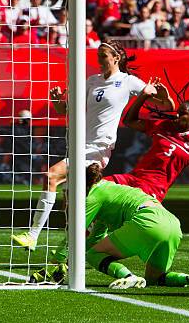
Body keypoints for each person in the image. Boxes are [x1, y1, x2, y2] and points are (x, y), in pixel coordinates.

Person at [11, 41, 175, 251]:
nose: (99, 59)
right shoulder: (91, 81)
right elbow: (64, 110)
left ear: (116, 58)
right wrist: (56, 101)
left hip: (98, 148)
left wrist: (165, 97)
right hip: (80, 145)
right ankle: (79, 246)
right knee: (73, 200)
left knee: (52, 176)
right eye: (98, 55)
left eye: (103, 55)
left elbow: (166, 107)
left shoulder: (128, 81)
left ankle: (33, 236)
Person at [31, 164, 189, 290]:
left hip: (147, 221)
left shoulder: (92, 197)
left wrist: (56, 264)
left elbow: (75, 234)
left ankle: (128, 276)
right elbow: (96, 237)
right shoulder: (107, 190)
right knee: (155, 279)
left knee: (93, 256)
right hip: (172, 223)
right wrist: (69, 263)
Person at [105, 83, 189, 202]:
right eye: (178, 111)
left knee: (118, 210)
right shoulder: (163, 126)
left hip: (152, 190)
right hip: (130, 178)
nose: (177, 115)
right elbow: (129, 121)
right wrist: (143, 96)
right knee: (93, 188)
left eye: (183, 113)